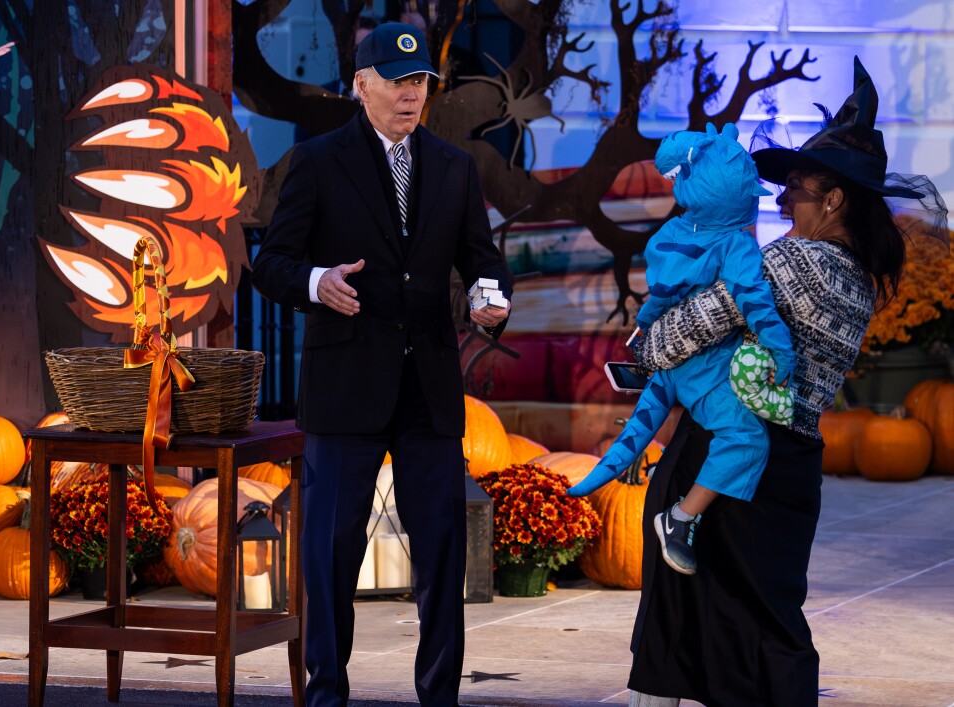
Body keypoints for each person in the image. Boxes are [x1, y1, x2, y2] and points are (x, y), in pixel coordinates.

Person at [624, 57, 947, 706]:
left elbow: (699, 321)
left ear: (833, 199)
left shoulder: (801, 261)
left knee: (695, 623)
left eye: (795, 188)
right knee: (758, 621)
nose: (780, 198)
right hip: (789, 463)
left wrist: (649, 345)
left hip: (733, 456)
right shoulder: (856, 276)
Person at [250, 21, 513, 707]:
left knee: (441, 557)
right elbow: (270, 263)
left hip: (428, 388)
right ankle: (327, 692)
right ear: (360, 84)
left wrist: (489, 295)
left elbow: (481, 259)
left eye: (420, 80)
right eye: (397, 81)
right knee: (331, 553)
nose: (411, 94)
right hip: (345, 386)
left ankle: (439, 697)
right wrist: (315, 282)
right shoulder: (318, 161)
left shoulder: (453, 167)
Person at [568, 122, 796, 577]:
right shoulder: (735, 243)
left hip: (669, 368)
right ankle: (681, 517)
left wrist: (644, 333)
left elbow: (658, 298)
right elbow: (753, 300)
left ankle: (619, 480)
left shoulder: (666, 238)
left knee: (636, 436)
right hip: (706, 367)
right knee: (746, 439)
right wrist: (780, 348)